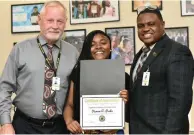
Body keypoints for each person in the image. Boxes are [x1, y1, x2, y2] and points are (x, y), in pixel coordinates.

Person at [0, 1, 78, 134]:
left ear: (65, 22)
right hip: (24, 126)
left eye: (60, 21)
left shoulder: (73, 53)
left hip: (59, 127)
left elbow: (76, 91)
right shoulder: (21, 49)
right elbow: (4, 88)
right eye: (50, 20)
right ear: (39, 20)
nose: (55, 26)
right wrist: (5, 123)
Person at [129, 5, 194, 134]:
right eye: (141, 26)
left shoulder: (177, 52)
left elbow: (180, 102)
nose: (145, 29)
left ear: (163, 25)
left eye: (151, 24)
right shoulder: (140, 55)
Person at [63, 30, 130, 134]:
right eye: (92, 44)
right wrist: (69, 121)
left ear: (110, 47)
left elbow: (131, 112)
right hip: (84, 132)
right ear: (87, 49)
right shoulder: (78, 73)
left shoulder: (122, 76)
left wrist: (126, 100)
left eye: (103, 43)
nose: (98, 47)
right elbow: (69, 105)